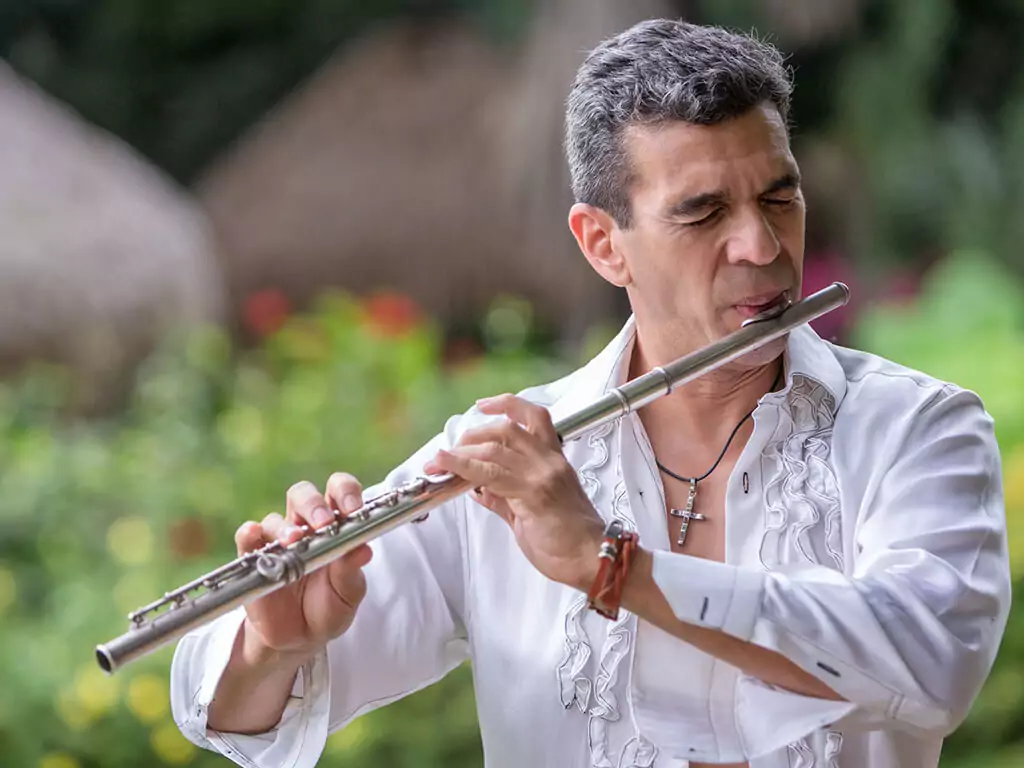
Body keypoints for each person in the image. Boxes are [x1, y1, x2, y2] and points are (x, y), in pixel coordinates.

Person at [170, 19, 1011, 768]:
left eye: (778, 197)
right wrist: (274, 646)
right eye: (703, 214)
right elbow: (226, 709)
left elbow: (928, 661)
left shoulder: (918, 430)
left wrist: (613, 567)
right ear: (604, 244)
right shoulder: (511, 460)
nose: (761, 247)